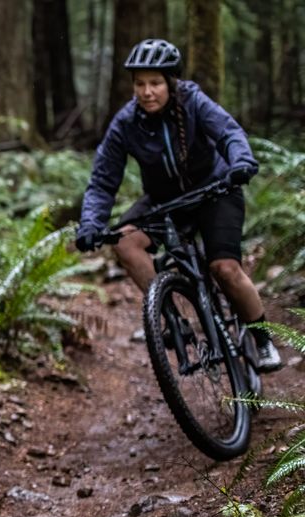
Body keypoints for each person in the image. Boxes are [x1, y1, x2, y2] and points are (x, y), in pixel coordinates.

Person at [75, 38, 282, 372]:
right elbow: (102, 180)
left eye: (155, 83)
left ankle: (262, 340)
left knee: (225, 268)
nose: (147, 91)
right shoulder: (126, 123)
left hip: (216, 190)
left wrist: (240, 162)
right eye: (139, 84)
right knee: (126, 243)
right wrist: (90, 224)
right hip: (164, 200)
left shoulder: (193, 101)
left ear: (170, 82)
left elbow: (228, 133)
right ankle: (172, 318)